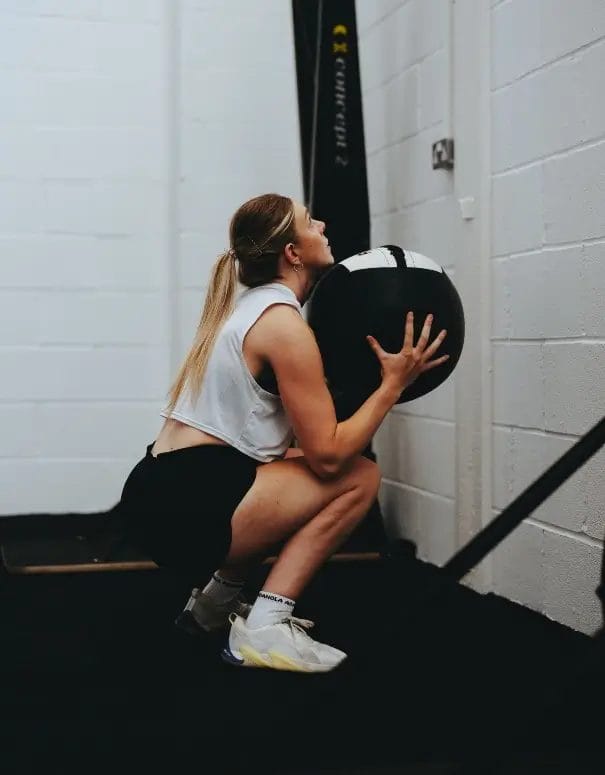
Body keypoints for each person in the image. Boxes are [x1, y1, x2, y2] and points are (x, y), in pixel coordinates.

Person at [118, 193, 449, 673]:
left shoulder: (251, 308)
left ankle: (211, 607)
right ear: (292, 253)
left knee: (288, 462)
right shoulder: (284, 326)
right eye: (309, 223)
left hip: (159, 492)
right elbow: (331, 458)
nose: (321, 224)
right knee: (359, 477)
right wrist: (392, 384)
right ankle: (265, 626)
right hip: (189, 506)